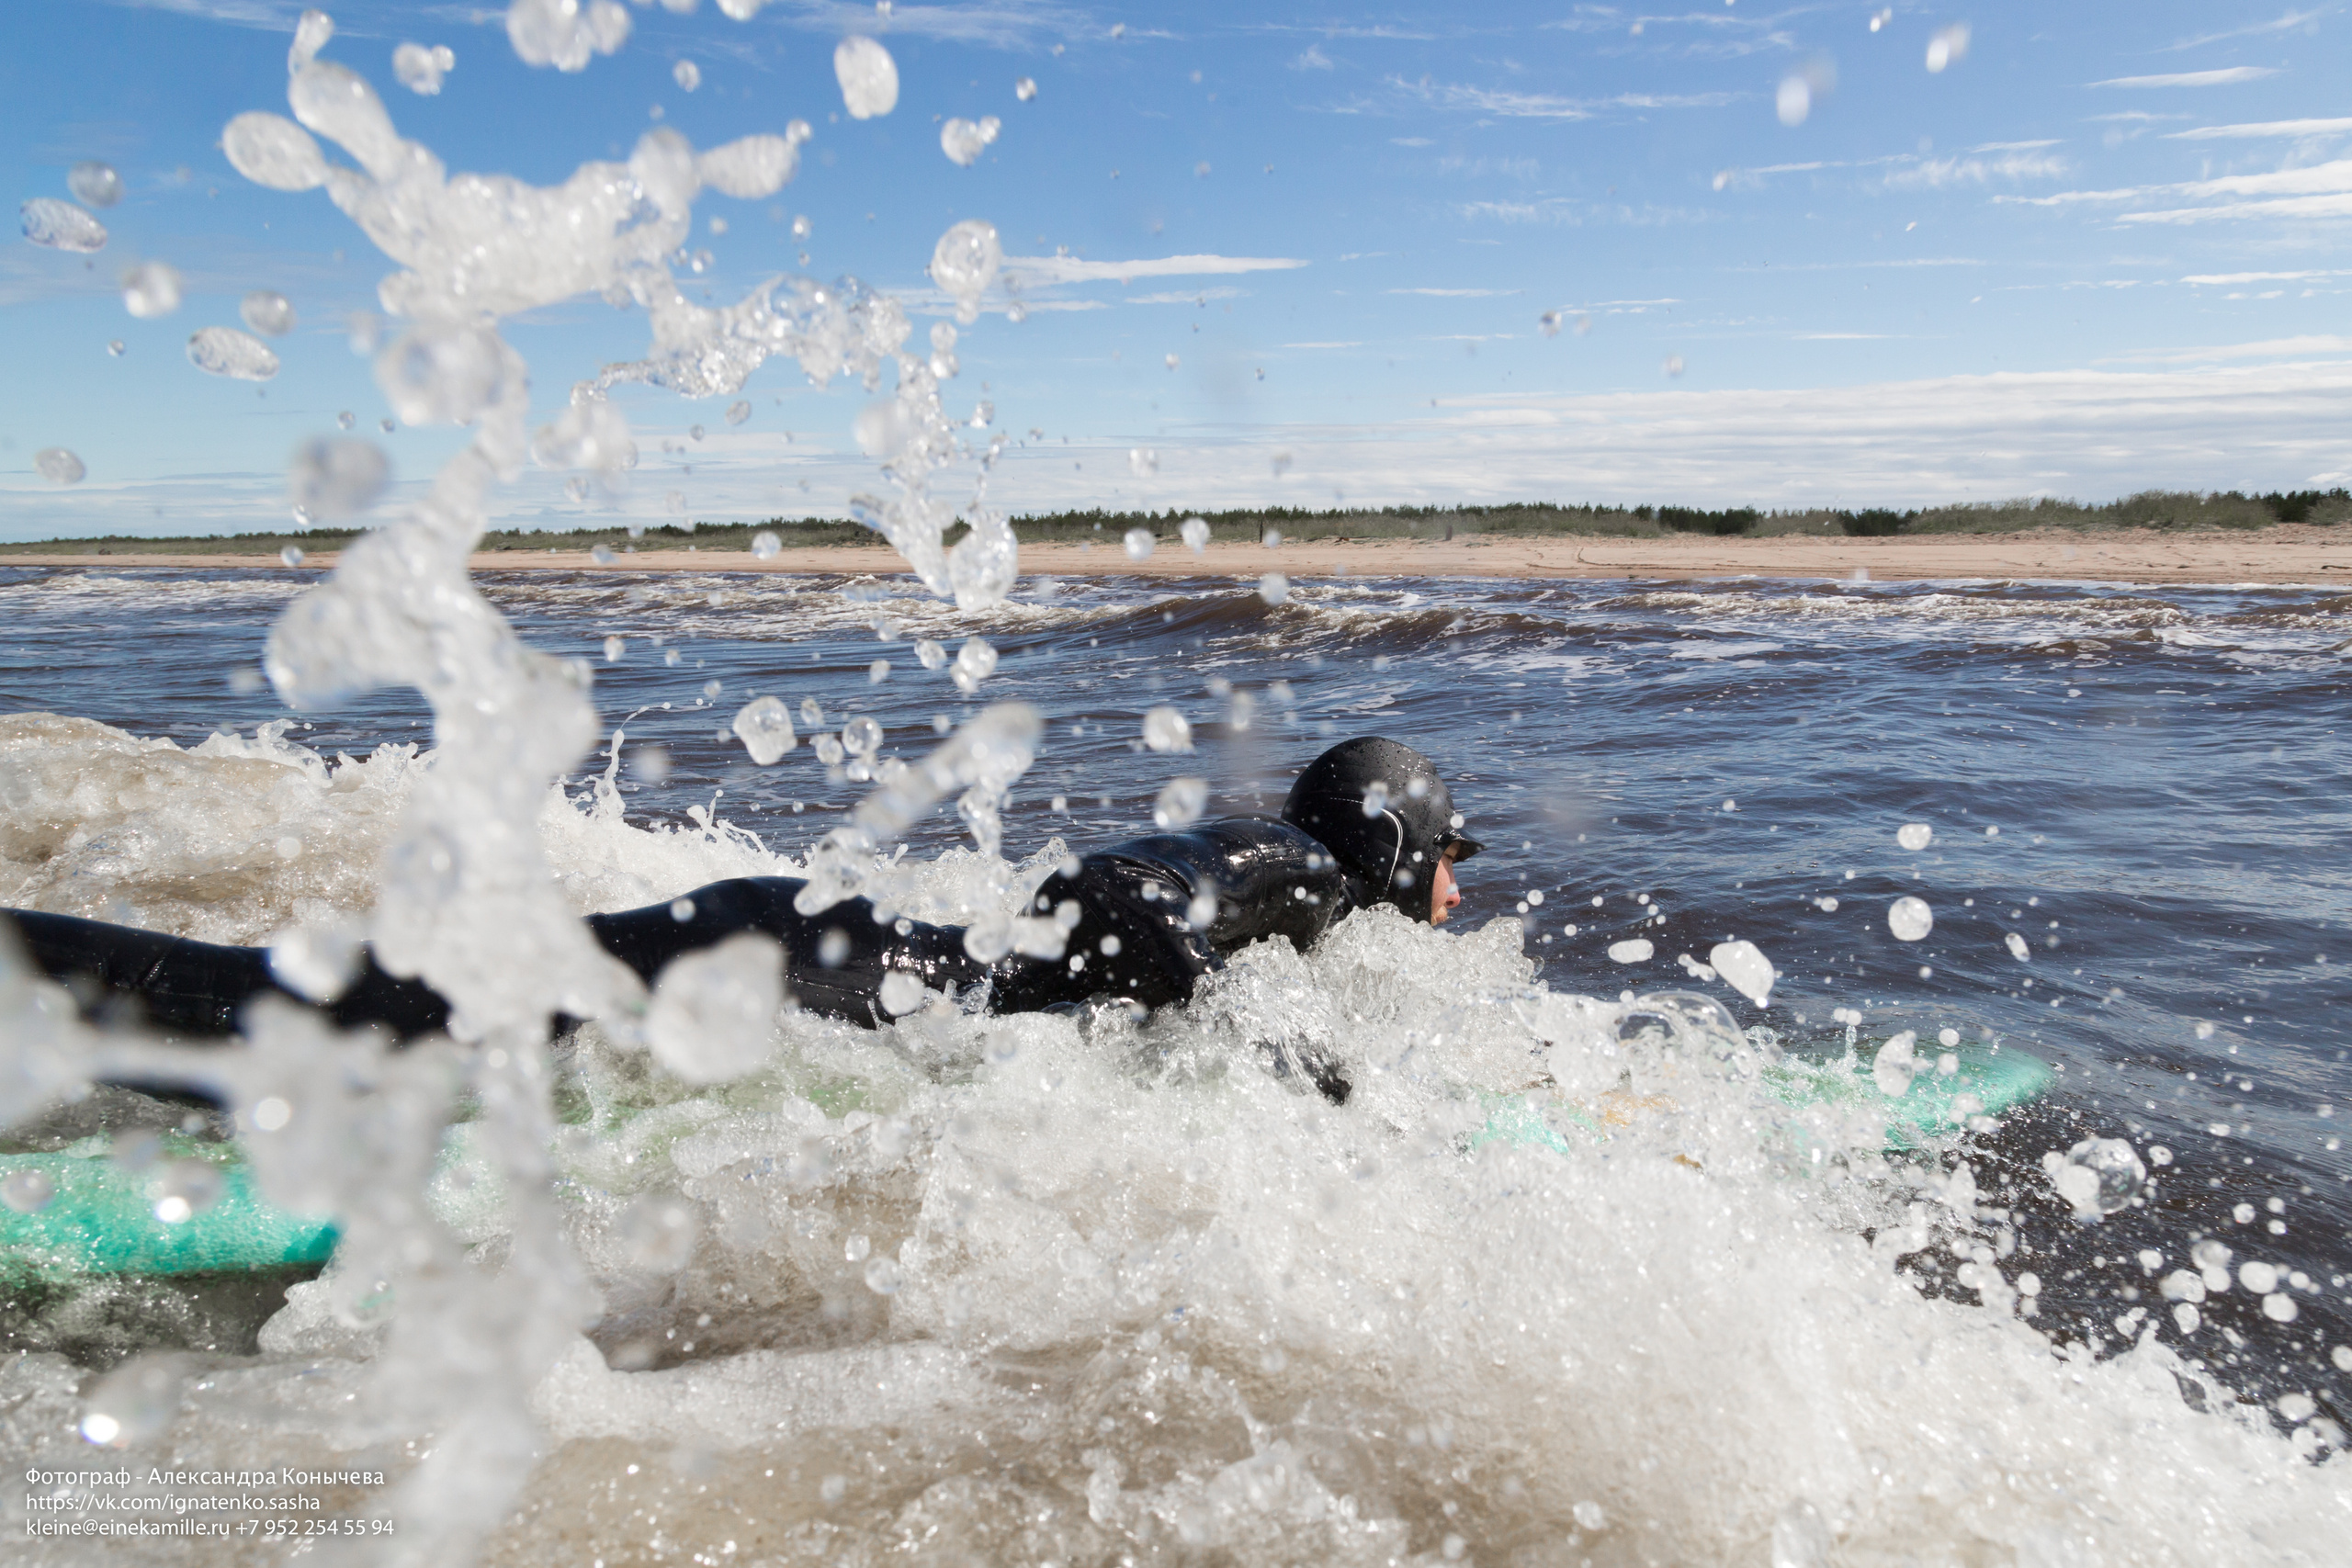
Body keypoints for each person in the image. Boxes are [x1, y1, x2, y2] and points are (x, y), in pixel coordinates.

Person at [6, 736, 1481, 1100]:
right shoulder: (1299, 865)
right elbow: (1115, 892)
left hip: (799, 946)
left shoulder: (1297, 889)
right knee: (320, 1030)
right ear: (1387, 840)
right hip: (775, 956)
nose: (1455, 891)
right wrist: (1256, 1039)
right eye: (1446, 857)